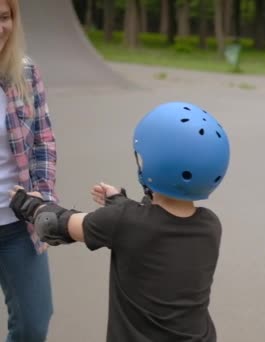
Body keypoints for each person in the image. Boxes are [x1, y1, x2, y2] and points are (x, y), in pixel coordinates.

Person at [10, 101, 230, 342]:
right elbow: (154, 225)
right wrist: (120, 203)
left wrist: (29, 204)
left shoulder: (123, 222)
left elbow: (53, 224)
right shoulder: (211, 226)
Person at [0, 0, 57, 340]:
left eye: (4, 17)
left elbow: (43, 142)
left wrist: (43, 201)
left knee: (34, 323)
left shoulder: (25, 72)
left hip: (16, 225)